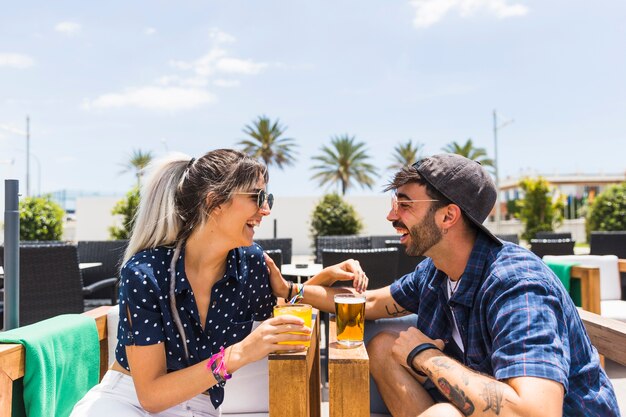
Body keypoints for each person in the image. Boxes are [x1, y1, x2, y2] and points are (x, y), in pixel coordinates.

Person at [265, 153, 619, 417]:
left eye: (404, 205)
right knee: (384, 346)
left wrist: (425, 355)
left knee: (443, 415)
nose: (391, 216)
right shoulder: (435, 272)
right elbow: (369, 304)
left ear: (448, 216)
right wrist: (291, 291)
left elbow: (538, 413)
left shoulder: (516, 285)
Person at [71, 149, 367, 417]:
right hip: (126, 402)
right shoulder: (146, 273)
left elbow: (289, 313)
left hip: (199, 407)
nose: (265, 210)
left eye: (268, 199)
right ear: (214, 202)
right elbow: (151, 395)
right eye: (257, 197)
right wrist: (238, 354)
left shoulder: (250, 264)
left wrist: (308, 284)